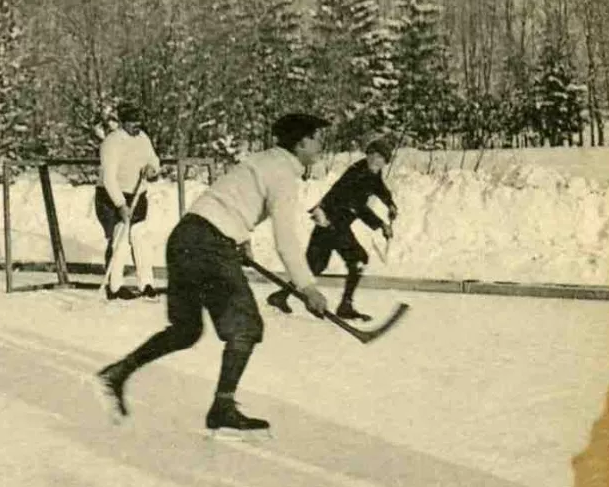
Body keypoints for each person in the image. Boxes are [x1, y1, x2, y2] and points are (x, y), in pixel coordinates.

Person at [95, 113, 332, 437]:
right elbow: (286, 239)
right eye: (317, 138)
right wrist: (307, 287)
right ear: (301, 141)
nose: (320, 145)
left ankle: (118, 373)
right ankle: (223, 406)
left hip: (186, 236)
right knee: (246, 328)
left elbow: (226, 198)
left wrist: (241, 238)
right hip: (209, 244)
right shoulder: (284, 174)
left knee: (186, 329)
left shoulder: (260, 161)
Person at [268, 137, 397, 321]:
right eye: (374, 156)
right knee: (358, 259)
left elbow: (379, 187)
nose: (377, 161)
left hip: (330, 222)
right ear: (368, 154)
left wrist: (390, 203)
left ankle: (280, 296)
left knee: (316, 265)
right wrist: (381, 225)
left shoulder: (371, 172)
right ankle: (345, 306)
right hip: (332, 223)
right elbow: (358, 207)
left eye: (382, 159)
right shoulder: (357, 174)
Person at [95, 102, 162, 301]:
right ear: (123, 122)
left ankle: (147, 284)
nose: (137, 126)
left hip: (137, 194)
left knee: (140, 235)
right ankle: (114, 287)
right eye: (132, 122)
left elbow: (154, 160)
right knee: (120, 239)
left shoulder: (142, 138)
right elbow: (109, 178)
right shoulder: (112, 142)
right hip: (111, 196)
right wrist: (120, 205)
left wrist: (152, 169)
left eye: (139, 121)